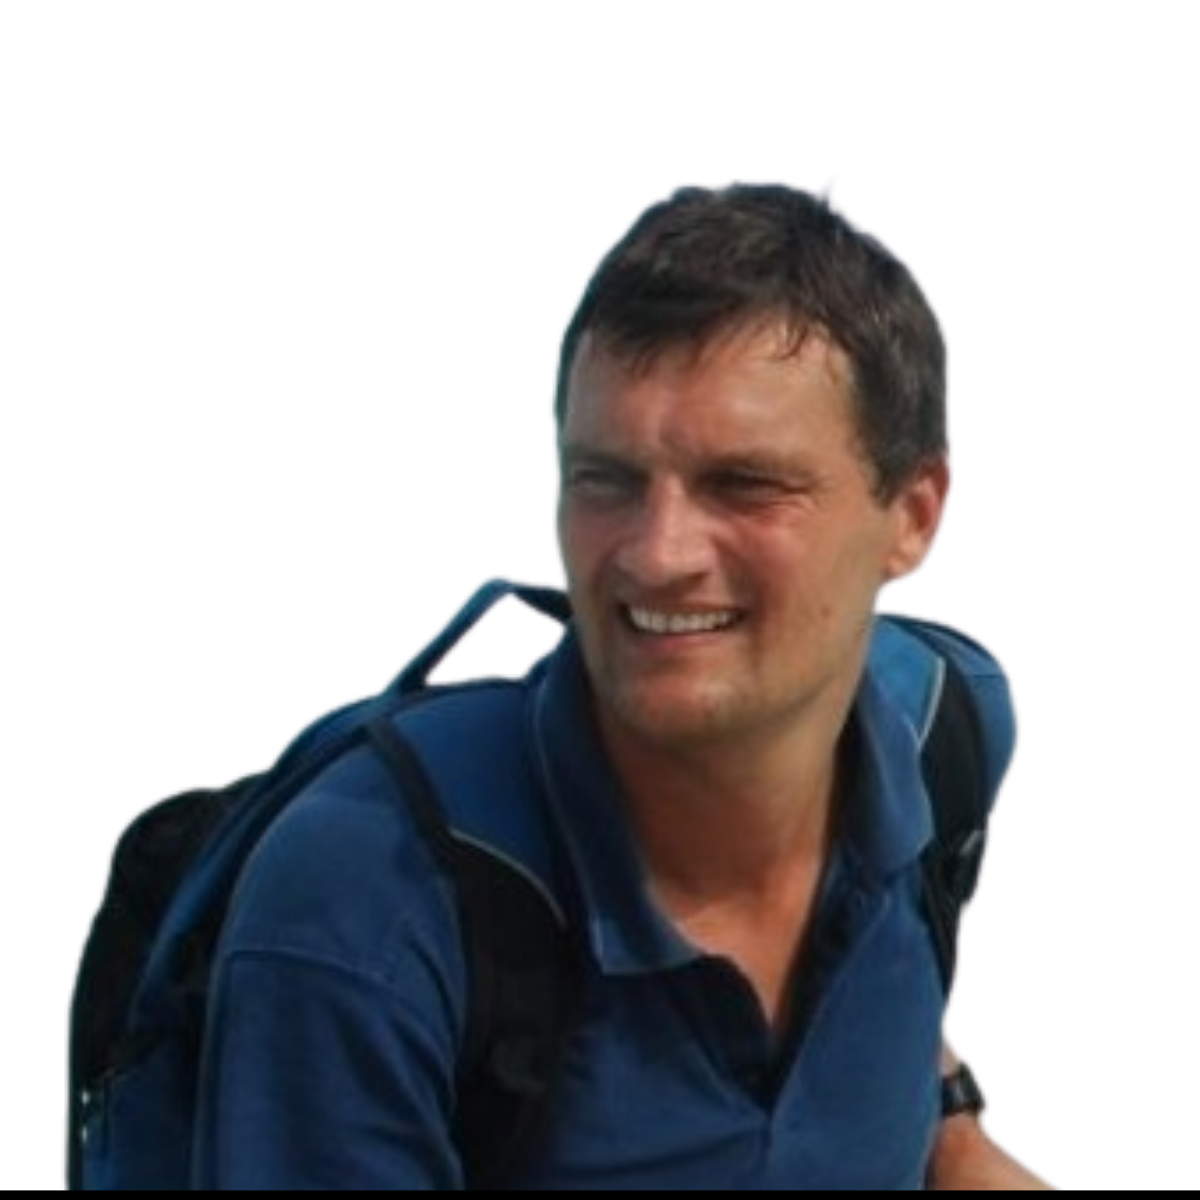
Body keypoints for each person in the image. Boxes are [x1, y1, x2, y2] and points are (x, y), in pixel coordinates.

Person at [191, 178, 1062, 1189]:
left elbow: (893, 986)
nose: (657, 554)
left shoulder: (947, 728)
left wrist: (951, 1132)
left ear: (915, 515)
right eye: (605, 479)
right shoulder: (371, 903)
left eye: (743, 484)